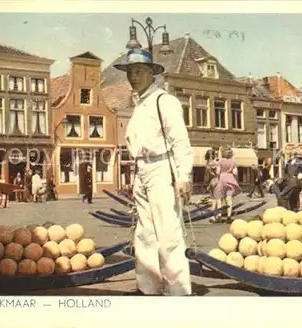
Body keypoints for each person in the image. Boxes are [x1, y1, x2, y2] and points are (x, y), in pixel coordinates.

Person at [115, 46, 193, 296]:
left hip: (162, 168)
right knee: (145, 232)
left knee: (168, 232)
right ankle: (148, 287)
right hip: (142, 171)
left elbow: (180, 140)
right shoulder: (139, 104)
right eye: (129, 72)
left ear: (152, 73)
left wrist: (184, 176)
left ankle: (177, 290)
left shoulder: (164, 101)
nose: (132, 77)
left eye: (138, 71)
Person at [211, 146, 242, 223]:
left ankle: (219, 216)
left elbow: (218, 172)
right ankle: (229, 216)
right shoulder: (233, 162)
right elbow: (235, 173)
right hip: (230, 180)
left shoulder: (220, 161)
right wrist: (232, 177)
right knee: (229, 198)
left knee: (219, 198)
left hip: (221, 179)